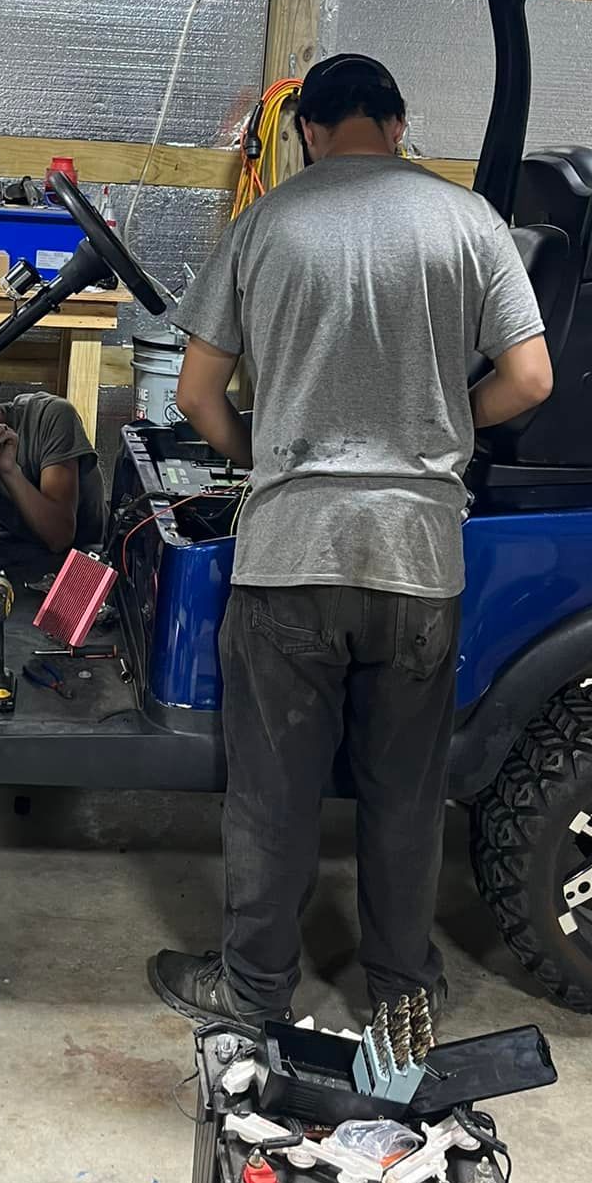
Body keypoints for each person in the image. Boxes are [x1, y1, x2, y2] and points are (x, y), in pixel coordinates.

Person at [147, 52, 552, 1028]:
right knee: (404, 793)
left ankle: (254, 994)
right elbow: (532, 379)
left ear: (310, 131)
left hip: (292, 557)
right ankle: (403, 992)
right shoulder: (471, 222)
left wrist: (266, 454)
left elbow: (197, 394)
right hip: (419, 560)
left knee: (272, 797)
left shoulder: (267, 223)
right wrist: (447, 419)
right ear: (398, 123)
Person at [0, 391, 104, 553]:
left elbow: (60, 537)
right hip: (20, 551)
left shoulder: (50, 416)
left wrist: (8, 470)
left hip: (85, 558)